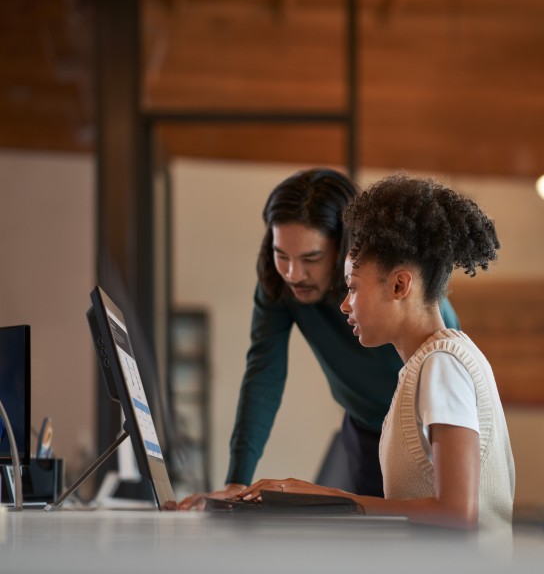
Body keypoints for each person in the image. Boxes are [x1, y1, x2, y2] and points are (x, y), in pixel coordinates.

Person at [234, 174, 515, 531]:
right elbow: (263, 373)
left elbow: (458, 514)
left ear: (399, 284)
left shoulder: (442, 367)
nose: (343, 305)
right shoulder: (425, 366)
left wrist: (334, 498)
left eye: (352, 288)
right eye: (282, 256)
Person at [178, 168, 460, 509]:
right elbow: (263, 373)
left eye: (311, 258)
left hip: (423, 432)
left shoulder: (397, 293)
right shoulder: (278, 285)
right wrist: (236, 480)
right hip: (362, 428)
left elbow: (457, 507)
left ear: (346, 247)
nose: (294, 274)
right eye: (281, 255)